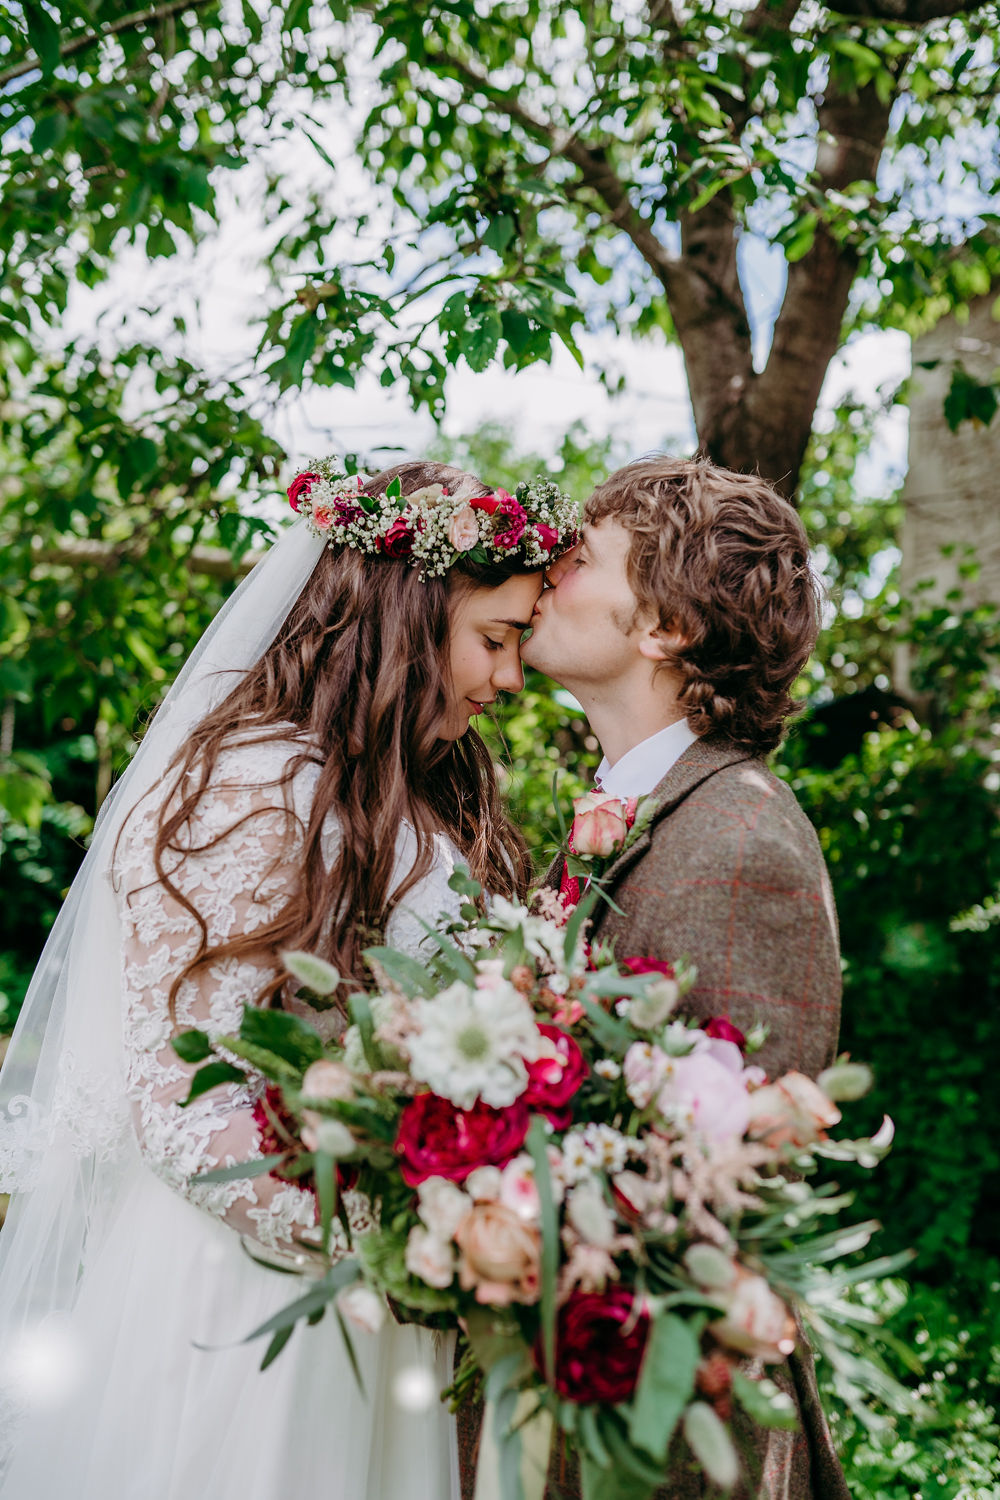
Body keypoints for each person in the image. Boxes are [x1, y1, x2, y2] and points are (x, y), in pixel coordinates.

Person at [0, 458, 578, 1500]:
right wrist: (405, 1239)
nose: (506, 683)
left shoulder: (396, 796)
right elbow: (182, 1107)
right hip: (252, 1306)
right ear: (404, 617)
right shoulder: (250, 789)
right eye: (494, 641)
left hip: (375, 1302)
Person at [518, 457, 848, 1500]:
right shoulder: (639, 809)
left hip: (663, 1442)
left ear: (662, 625)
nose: (544, 574)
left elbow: (732, 1196)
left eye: (579, 560)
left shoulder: (742, 836)